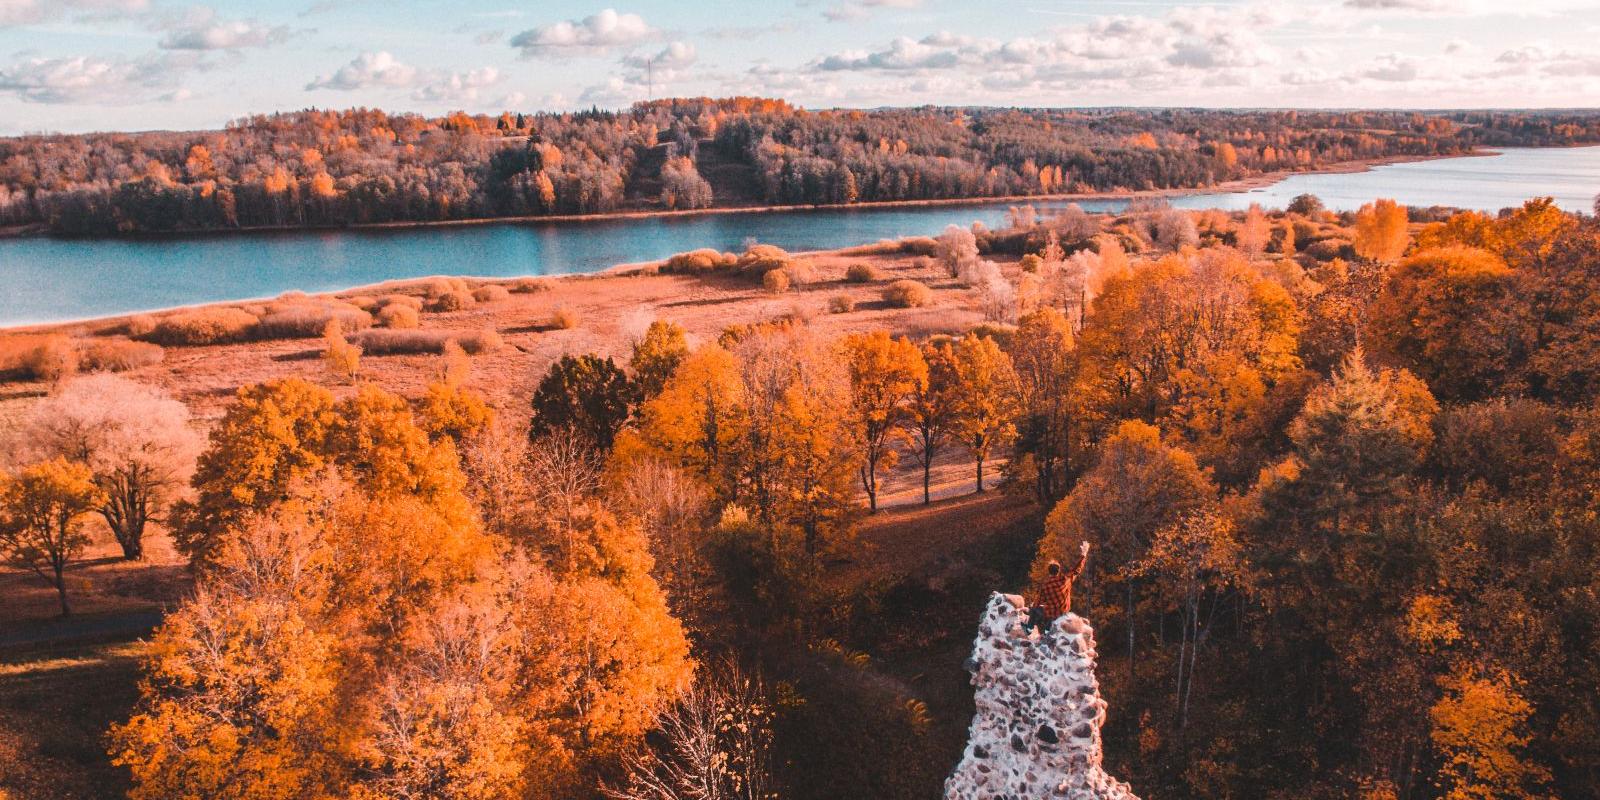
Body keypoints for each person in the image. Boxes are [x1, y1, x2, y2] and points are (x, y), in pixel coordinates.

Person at [1026, 541, 1090, 632]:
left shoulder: (1046, 585)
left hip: (1052, 612)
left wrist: (1032, 607)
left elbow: (1039, 600)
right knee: (1050, 615)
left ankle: (1029, 628)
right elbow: (1076, 569)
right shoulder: (1066, 580)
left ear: (1049, 572)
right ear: (1058, 571)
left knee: (1037, 610)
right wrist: (1084, 554)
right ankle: (1048, 631)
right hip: (1064, 611)